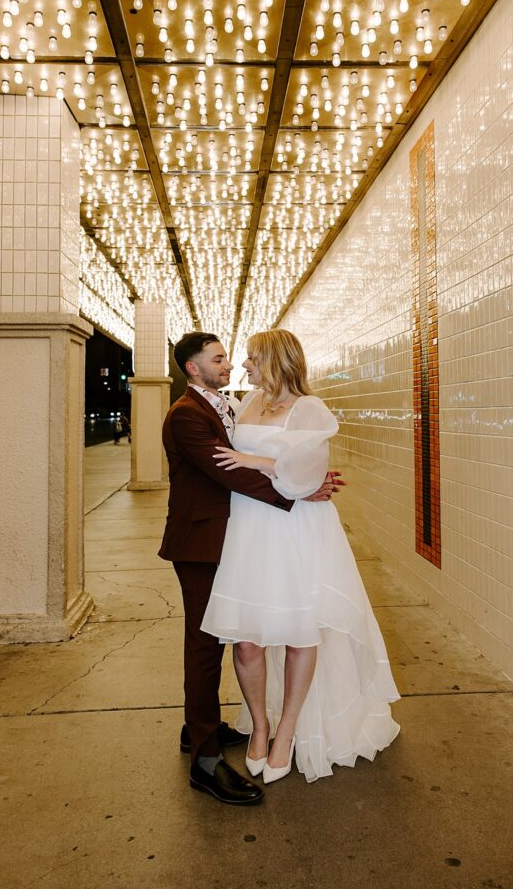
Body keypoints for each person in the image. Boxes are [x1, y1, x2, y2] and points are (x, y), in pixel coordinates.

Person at [201, 329, 400, 784]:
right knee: (247, 638)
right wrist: (275, 470)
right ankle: (260, 726)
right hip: (249, 529)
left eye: (252, 358)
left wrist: (258, 463)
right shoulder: (245, 403)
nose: (244, 365)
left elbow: (304, 476)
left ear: (275, 360)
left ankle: (287, 733)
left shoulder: (308, 409)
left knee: (298, 633)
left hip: (294, 531)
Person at [160, 332, 341, 806]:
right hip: (203, 540)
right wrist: (295, 492)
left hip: (244, 535)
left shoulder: (232, 404)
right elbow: (228, 471)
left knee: (240, 634)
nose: (233, 365)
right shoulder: (186, 414)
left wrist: (306, 481)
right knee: (206, 644)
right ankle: (204, 758)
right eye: (219, 359)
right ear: (193, 369)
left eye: (239, 358)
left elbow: (299, 453)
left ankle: (202, 728)